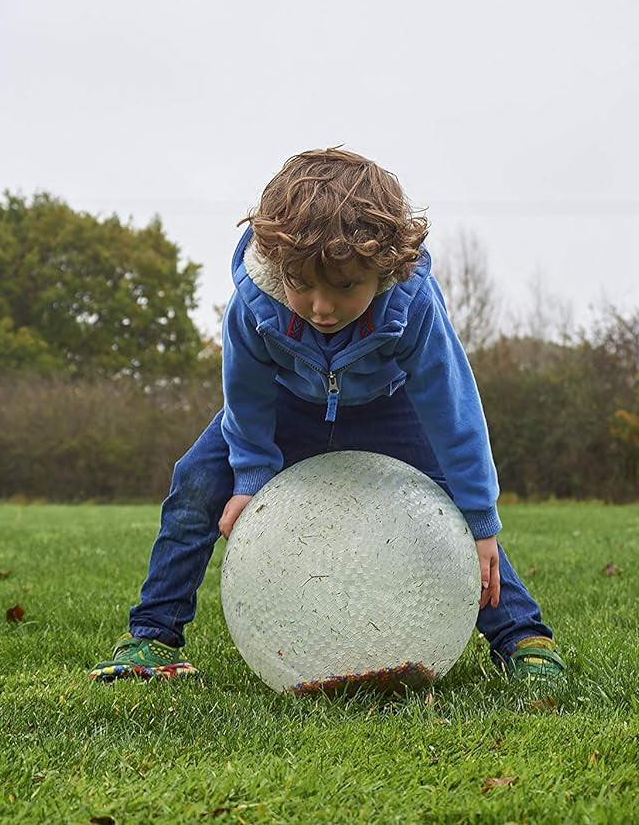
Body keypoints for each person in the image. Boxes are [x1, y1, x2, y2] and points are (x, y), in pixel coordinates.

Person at [91, 148, 563, 683]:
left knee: (454, 518)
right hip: (286, 410)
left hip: (392, 409)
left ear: (384, 267)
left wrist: (479, 520)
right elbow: (244, 400)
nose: (320, 307)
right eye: (302, 284)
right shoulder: (255, 301)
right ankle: (154, 635)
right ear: (277, 264)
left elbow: (453, 414)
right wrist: (251, 476)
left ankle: (523, 638)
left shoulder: (412, 303)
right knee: (195, 481)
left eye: (344, 287)